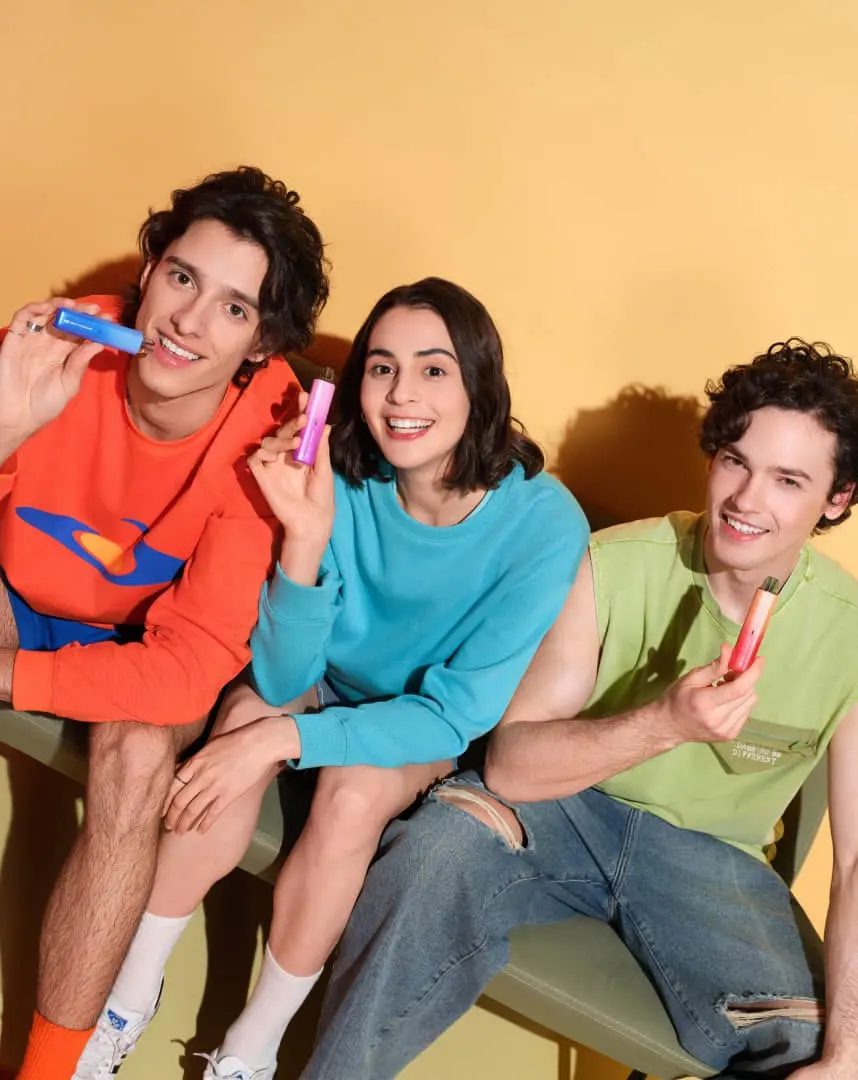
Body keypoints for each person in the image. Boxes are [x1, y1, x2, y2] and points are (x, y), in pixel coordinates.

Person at [297, 339, 858, 1080]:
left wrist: (847, 1053)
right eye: (736, 461)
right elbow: (511, 766)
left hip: (715, 864)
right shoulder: (615, 562)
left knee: (810, 1050)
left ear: (837, 498)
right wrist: (665, 723)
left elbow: (855, 861)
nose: (748, 500)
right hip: (564, 810)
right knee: (436, 849)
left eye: (788, 480)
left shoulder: (849, 633)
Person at [75, 277, 590, 1080]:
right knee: (237, 730)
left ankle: (249, 1051)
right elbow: (283, 671)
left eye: (433, 369)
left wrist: (282, 739)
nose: (401, 394)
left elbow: (454, 715)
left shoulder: (545, 523)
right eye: (382, 368)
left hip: (419, 724)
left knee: (349, 794)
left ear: (479, 384)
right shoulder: (339, 471)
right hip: (320, 683)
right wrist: (304, 540)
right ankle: (123, 1003)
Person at [0, 166, 329, 1080]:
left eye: (233, 308)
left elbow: (187, 668)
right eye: (182, 277)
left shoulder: (269, 435)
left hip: (139, 643)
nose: (187, 321)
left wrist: (13, 677)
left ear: (262, 342)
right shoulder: (56, 348)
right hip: (15, 593)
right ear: (149, 273)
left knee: (140, 752)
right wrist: (3, 431)